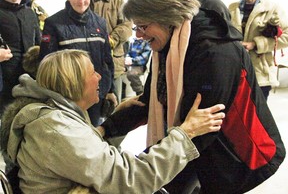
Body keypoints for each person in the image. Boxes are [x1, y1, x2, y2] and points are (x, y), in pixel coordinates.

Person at [100, 0, 286, 194]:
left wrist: (137, 172)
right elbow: (151, 100)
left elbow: (201, 128)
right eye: (136, 27)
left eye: (143, 26)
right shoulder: (168, 47)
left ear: (166, 18)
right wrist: (105, 129)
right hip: (205, 151)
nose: (139, 36)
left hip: (240, 157)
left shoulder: (215, 53)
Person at [0, 49, 225, 193]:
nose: (99, 76)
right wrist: (185, 135)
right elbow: (129, 179)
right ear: (73, 84)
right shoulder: (57, 129)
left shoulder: (50, 117)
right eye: (92, 73)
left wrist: (111, 124)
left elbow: (78, 151)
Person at [39, 0, 116, 127]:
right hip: (67, 98)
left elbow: (107, 60)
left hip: (95, 95)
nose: (81, 1)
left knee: (94, 136)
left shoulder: (100, 23)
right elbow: (45, 63)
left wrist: (110, 89)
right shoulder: (53, 23)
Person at [229, 0, 288, 100]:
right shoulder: (232, 8)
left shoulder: (272, 9)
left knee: (257, 117)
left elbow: (286, 36)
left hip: (260, 74)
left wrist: (256, 44)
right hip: (233, 73)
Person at [0, 0, 41, 116]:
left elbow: (39, 41)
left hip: (30, 75)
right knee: (6, 113)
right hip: (6, 76)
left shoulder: (30, 13)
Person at [91, 0, 132, 104]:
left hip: (114, 64)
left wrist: (111, 40)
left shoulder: (119, 2)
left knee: (113, 106)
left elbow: (127, 25)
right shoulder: (84, 1)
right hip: (89, 65)